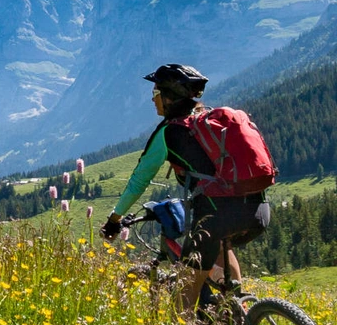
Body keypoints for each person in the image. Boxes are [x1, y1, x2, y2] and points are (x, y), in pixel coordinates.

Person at [100, 64, 271, 312]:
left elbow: (139, 180)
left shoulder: (169, 132)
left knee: (183, 300)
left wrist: (114, 219)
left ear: (169, 98)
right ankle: (240, 314)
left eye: (155, 94)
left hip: (215, 217)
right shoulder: (212, 120)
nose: (153, 100)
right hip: (259, 210)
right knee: (224, 253)